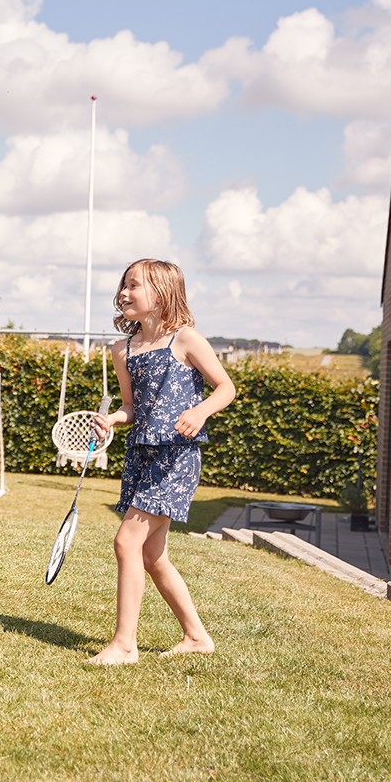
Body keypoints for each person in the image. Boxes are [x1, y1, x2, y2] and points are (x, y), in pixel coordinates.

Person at [89, 259, 235, 665]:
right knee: (152, 555)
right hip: (141, 454)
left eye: (134, 285)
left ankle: (124, 646)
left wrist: (201, 411)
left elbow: (226, 387)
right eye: (123, 285)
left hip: (176, 458)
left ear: (162, 292)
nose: (124, 292)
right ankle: (196, 637)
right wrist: (113, 420)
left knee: (126, 541)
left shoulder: (186, 339)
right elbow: (131, 406)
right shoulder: (122, 350)